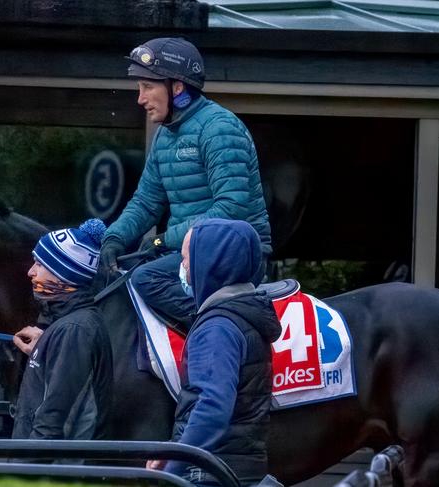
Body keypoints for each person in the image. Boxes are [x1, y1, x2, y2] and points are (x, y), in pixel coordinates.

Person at [99, 37, 271, 330]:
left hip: (237, 254)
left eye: (148, 87)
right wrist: (114, 239)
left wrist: (163, 240)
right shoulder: (165, 136)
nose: (140, 99)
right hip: (190, 253)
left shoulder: (219, 128)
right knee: (121, 276)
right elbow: (146, 202)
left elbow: (232, 208)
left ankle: (226, 330)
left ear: (177, 88)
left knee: (146, 278)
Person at [147, 218, 282, 486]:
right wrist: (175, 448)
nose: (183, 268)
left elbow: (211, 406)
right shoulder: (243, 317)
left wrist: (173, 470)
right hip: (241, 467)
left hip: (210, 472)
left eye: (186, 259)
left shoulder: (217, 328)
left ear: (209, 263)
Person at [11, 219, 113, 441]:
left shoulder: (75, 330)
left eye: (39, 264)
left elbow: (53, 420)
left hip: (54, 471)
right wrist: (46, 348)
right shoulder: (67, 326)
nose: (30, 272)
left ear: (64, 274)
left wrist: (21, 471)